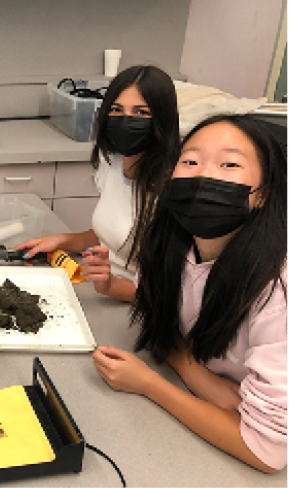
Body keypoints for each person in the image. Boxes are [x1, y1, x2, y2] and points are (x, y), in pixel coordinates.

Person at [92, 114, 287, 473]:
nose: (203, 176)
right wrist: (195, 373)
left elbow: (267, 452)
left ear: (263, 195)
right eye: (191, 161)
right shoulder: (170, 246)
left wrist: (150, 383)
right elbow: (155, 312)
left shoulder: (280, 291)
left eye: (229, 164)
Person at [16, 65, 180, 302]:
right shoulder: (111, 162)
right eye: (116, 109)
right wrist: (61, 240)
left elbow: (170, 298)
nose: (126, 121)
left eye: (141, 113)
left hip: (139, 307)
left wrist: (111, 286)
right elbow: (110, 235)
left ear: (162, 120)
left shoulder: (172, 189)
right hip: (99, 288)